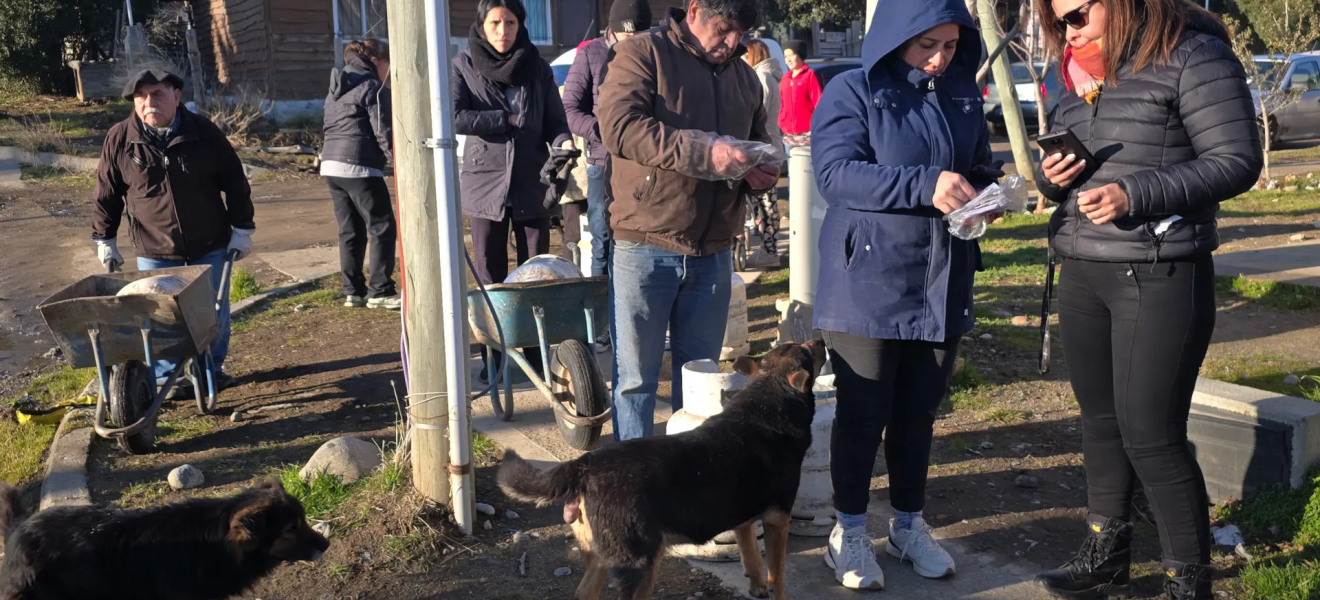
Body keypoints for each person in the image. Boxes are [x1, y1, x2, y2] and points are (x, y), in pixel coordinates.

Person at [1031, 1, 1262, 598]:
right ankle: (1107, 552)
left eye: (1078, 13)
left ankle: (1188, 578)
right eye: (1059, 20)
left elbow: (1237, 160)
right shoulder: (1072, 68)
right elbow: (1066, 163)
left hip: (1160, 271)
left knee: (1151, 434)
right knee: (1101, 424)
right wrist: (1049, 177)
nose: (1069, 29)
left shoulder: (1194, 54)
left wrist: (1136, 193)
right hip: (1083, 267)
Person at [811, 0, 1003, 589]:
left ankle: (906, 525)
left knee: (917, 414)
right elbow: (835, 173)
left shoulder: (961, 94)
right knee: (864, 413)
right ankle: (846, 532)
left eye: (950, 45)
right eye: (927, 46)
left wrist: (992, 194)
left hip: (941, 277)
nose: (940, 58)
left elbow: (975, 165)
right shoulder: (852, 90)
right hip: (866, 280)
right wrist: (927, 184)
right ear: (897, 37)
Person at [597, 0, 778, 441]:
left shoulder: (744, 80)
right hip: (644, 243)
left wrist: (762, 171)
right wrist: (704, 153)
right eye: (725, 28)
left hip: (714, 250)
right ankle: (632, 484)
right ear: (694, 9)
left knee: (700, 381)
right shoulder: (643, 53)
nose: (733, 42)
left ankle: (686, 485)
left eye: (742, 33)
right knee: (635, 381)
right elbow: (618, 126)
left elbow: (759, 142)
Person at [92, 69, 255, 398]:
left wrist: (242, 228)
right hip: (155, 251)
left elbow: (234, 181)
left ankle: (210, 371)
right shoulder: (121, 139)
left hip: (209, 244)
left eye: (158, 94)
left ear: (177, 96)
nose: (150, 102)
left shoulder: (203, 132)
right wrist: (104, 239)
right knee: (159, 320)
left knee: (213, 315)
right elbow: (107, 193)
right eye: (142, 97)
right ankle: (172, 379)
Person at [454, 0, 574, 381]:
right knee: (491, 273)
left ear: (520, 25)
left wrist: (564, 140)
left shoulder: (537, 68)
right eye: (494, 22)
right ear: (482, 25)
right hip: (484, 181)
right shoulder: (464, 65)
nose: (502, 31)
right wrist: (503, 119)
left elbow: (555, 119)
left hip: (531, 181)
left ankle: (536, 355)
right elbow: (455, 115)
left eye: (509, 22)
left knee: (535, 270)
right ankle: (493, 356)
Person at [563, 0, 653, 287]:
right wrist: (602, 131)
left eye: (639, 37)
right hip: (603, 163)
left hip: (646, 164)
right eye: (627, 38)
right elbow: (570, 109)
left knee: (642, 242)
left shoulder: (657, 54)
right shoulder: (591, 54)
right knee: (602, 241)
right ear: (612, 31)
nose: (633, 44)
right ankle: (603, 323)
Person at [320, 39, 399, 311]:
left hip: (330, 164)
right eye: (389, 64)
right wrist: (399, 162)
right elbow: (384, 131)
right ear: (377, 60)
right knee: (383, 226)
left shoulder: (336, 87)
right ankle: (381, 290)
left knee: (350, 231)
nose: (390, 72)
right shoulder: (373, 87)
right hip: (359, 166)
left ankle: (353, 291)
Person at [741, 39, 783, 258]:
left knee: (767, 203)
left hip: (765, 149)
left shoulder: (763, 78)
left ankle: (769, 248)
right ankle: (767, 246)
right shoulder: (766, 76)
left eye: (745, 55)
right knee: (762, 203)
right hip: (765, 146)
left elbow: (758, 112)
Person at [778, 40, 821, 150]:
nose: (788, 60)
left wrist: (816, 125)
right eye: (785, 56)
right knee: (791, 165)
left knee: (806, 165)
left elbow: (819, 102)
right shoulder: (785, 78)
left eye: (791, 55)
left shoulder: (810, 75)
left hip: (808, 134)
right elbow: (782, 103)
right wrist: (782, 122)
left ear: (800, 55)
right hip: (788, 135)